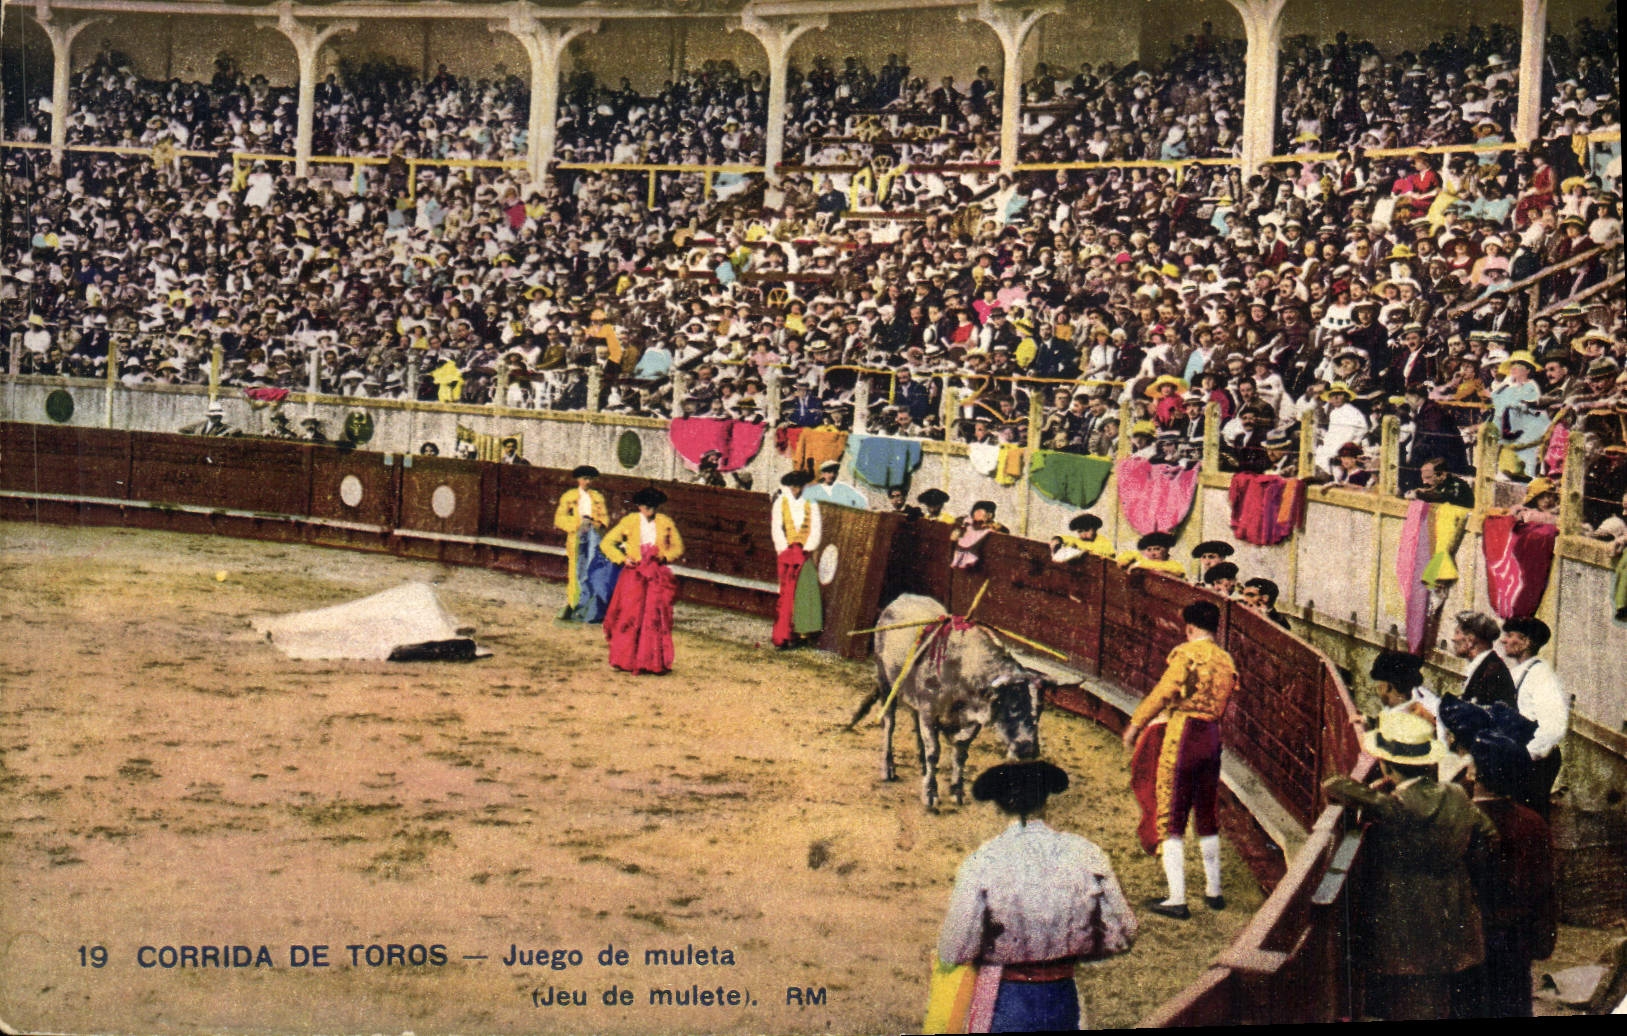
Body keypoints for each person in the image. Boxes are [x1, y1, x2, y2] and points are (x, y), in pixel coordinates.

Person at [936, 761, 1138, 1032]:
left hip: (1005, 998)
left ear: (997, 806)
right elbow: (1124, 932)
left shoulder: (982, 861)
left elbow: (953, 950)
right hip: (1063, 994)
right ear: (1046, 802)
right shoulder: (1085, 853)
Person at [1322, 711, 1498, 1020]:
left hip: (1403, 918)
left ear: (1386, 765)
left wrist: (1376, 789)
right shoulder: (1456, 795)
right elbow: (1488, 834)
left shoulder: (1394, 806)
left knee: (1406, 1001)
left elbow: (1335, 785)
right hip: (1452, 910)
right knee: (1439, 1000)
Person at [1437, 700, 1556, 1019]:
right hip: (1516, 943)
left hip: (1467, 941)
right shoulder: (1534, 823)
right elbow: (1544, 890)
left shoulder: (1460, 818)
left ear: (1477, 772)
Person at [1123, 600, 1238, 919]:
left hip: (1184, 734)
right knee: (1206, 810)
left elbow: (1165, 691)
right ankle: (1214, 892)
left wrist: (1136, 723)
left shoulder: (1187, 654)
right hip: (1212, 737)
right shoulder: (1226, 660)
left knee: (1171, 812)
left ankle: (1177, 899)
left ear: (1189, 628)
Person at [600, 487, 684, 675]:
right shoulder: (630, 521)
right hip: (634, 574)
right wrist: (623, 559)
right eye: (647, 507)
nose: (650, 511)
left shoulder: (665, 522)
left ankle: (652, 662)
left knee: (655, 617)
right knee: (630, 614)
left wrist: (664, 557)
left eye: (653, 507)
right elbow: (607, 543)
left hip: (655, 575)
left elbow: (678, 547)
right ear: (639, 506)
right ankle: (625, 660)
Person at [1499, 617, 1569, 817]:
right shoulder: (1520, 672)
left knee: (1529, 818)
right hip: (1519, 755)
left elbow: (1554, 726)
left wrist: (1526, 756)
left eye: (1510, 636)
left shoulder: (1542, 676)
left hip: (1534, 762)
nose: (1504, 640)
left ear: (1526, 642)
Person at [553, 465, 616, 623]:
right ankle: (574, 604)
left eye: (590, 478)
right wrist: (577, 524)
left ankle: (591, 607)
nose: (587, 481)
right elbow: (559, 518)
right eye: (584, 478)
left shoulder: (597, 497)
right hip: (577, 534)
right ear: (578, 479)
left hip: (594, 534)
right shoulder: (570, 496)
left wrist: (597, 524)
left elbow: (604, 518)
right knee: (576, 570)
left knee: (593, 568)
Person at [770, 470, 823, 650]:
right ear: (789, 486)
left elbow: (816, 528)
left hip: (804, 553)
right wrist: (784, 548)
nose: (796, 490)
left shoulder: (811, 503)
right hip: (787, 553)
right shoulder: (780, 502)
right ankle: (784, 634)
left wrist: (808, 547)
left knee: (802, 593)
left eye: (800, 486)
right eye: (793, 486)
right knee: (786, 592)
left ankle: (800, 633)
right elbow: (776, 527)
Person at [1451, 610, 1517, 710]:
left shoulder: (1491, 672)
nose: (1453, 638)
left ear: (1470, 640)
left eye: (1457, 633)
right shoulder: (1486, 665)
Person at [1366, 650, 1440, 724]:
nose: (1379, 692)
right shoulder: (1426, 697)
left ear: (1387, 687)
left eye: (1379, 687)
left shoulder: (1396, 718)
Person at [1410, 457, 1475, 508]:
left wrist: (1421, 494)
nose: (1424, 482)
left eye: (1428, 478)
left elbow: (1444, 498)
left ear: (1442, 475)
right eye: (1423, 478)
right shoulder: (1439, 484)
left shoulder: (1457, 485)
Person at [803, 459, 868, 509]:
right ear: (822, 473)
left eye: (834, 472)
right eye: (829, 472)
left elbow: (863, 502)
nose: (832, 475)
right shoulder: (812, 491)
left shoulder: (844, 488)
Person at [1117, 532, 1186, 576]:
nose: (1153, 553)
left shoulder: (1172, 565)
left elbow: (1178, 570)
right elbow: (1123, 559)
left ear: (1166, 549)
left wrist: (1139, 565)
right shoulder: (1142, 560)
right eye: (1149, 550)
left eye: (1157, 549)